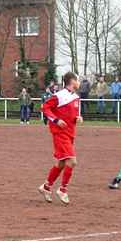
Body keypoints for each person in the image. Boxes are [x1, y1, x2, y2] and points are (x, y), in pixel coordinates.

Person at [38, 72, 82, 205]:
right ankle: (63, 189)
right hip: (59, 133)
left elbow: (71, 115)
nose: (79, 82)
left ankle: (46, 187)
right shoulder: (59, 95)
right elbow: (45, 107)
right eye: (77, 80)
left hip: (70, 133)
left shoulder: (75, 97)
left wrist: (77, 118)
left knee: (61, 163)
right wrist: (56, 120)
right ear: (72, 81)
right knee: (72, 161)